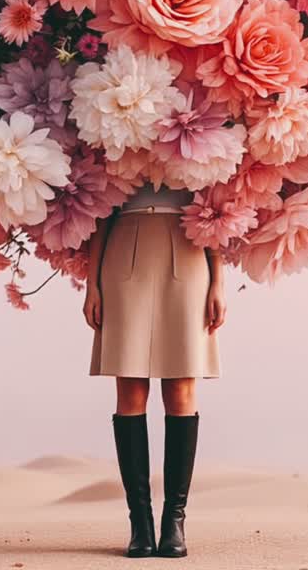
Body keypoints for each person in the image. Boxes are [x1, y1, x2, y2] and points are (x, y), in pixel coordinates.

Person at [82, 182, 227, 558]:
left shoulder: (207, 129)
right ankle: (140, 524)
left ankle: (174, 522)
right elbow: (100, 211)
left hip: (189, 244)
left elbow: (213, 207)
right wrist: (91, 284)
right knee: (130, 388)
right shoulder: (108, 130)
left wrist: (218, 281)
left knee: (181, 389)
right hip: (124, 244)